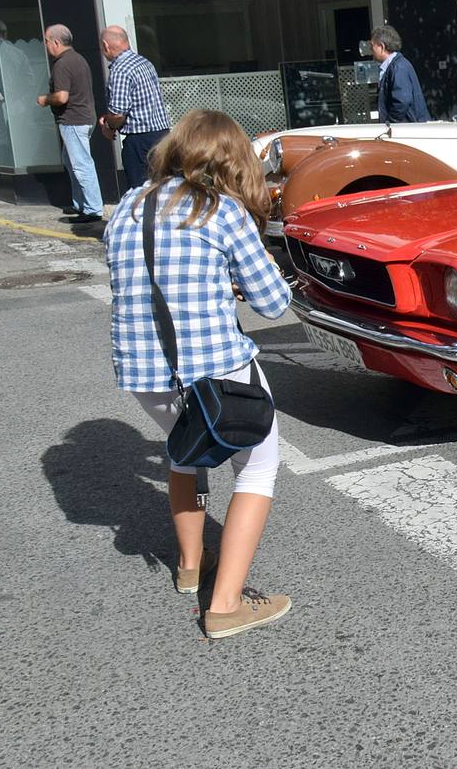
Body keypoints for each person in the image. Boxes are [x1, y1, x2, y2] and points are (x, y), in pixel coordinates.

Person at [103, 109, 294, 640]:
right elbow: (273, 302)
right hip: (216, 370)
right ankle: (227, 605)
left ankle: (191, 566)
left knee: (183, 450)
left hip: (143, 371)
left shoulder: (127, 207)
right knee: (257, 467)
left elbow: (143, 279)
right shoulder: (222, 211)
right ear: (231, 160)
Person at [36, 25, 103, 223]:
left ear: (56, 42)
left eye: (46, 42)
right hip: (84, 118)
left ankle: (92, 210)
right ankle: (80, 204)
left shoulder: (62, 64)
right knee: (71, 161)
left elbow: (62, 97)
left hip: (73, 120)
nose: (46, 46)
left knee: (81, 165)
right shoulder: (78, 59)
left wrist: (45, 99)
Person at [98, 25, 171, 189]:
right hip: (162, 134)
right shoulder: (144, 62)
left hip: (140, 140)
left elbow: (118, 114)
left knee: (140, 192)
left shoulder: (120, 69)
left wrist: (108, 126)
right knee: (166, 187)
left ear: (105, 45)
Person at [370, 24, 430, 123]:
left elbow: (402, 101)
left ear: (382, 47)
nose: (371, 50)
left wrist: (390, 123)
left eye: (372, 46)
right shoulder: (395, 66)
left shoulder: (398, 67)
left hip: (407, 131)